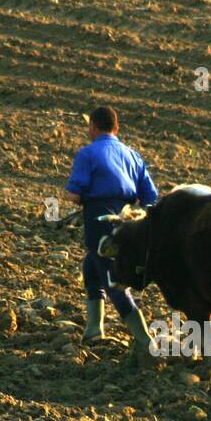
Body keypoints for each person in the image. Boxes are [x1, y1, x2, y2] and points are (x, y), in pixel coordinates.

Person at [64, 106, 158, 347]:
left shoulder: (88, 154)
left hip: (100, 218)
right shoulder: (133, 155)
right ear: (116, 128)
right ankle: (94, 328)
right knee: (91, 267)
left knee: (111, 276)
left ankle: (146, 341)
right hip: (129, 220)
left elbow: (74, 194)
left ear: (92, 126)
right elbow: (151, 197)